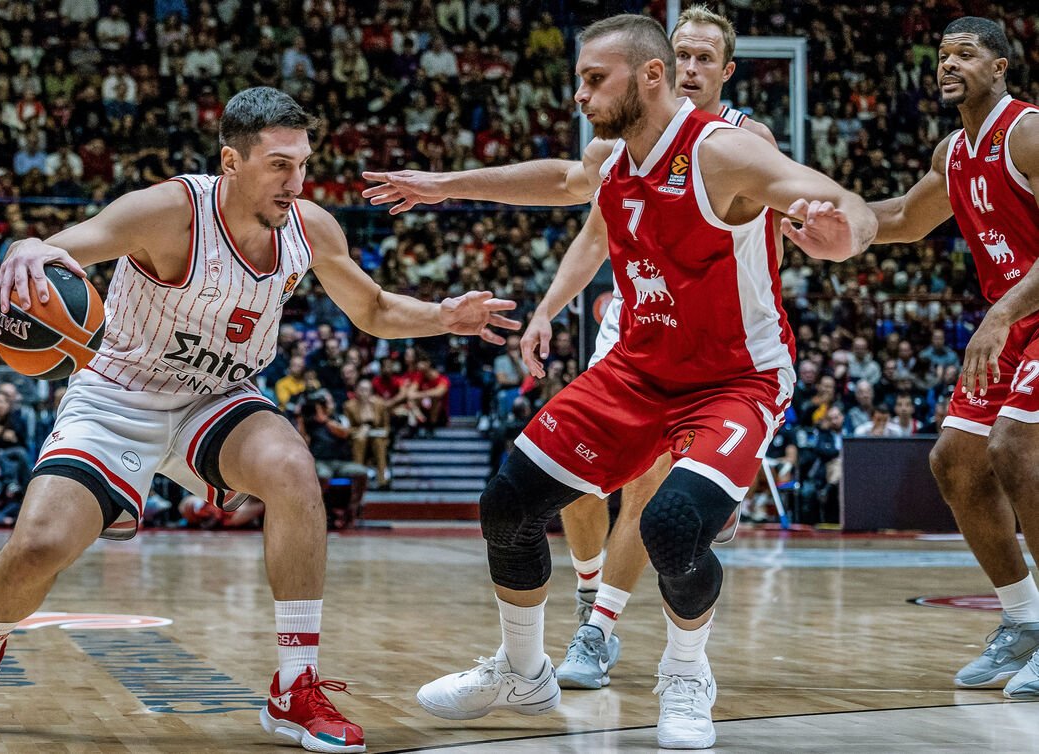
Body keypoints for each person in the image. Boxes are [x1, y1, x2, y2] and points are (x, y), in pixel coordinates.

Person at [0, 86, 518, 753]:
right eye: (279, 165)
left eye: (303, 164)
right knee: (39, 547)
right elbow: (79, 243)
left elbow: (373, 310)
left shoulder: (311, 229)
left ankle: (294, 689)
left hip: (216, 398)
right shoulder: (170, 211)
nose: (296, 181)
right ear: (232, 161)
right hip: (117, 396)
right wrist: (31, 244)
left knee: (292, 468)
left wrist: (443, 316)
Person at [370, 14, 874, 749]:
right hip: (637, 370)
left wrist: (844, 234)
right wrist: (445, 184)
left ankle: (686, 674)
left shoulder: (724, 150)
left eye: (592, 79)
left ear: (650, 76)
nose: (579, 94)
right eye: (579, 78)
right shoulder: (613, 157)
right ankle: (522, 670)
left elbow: (835, 198)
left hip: (736, 380)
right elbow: (563, 181)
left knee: (671, 527)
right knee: (507, 503)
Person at [866, 16, 1039, 699]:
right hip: (1013, 319)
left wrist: (999, 314)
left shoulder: (1026, 131)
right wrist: (822, 215)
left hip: (1023, 313)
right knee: (955, 462)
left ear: (999, 67)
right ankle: (1025, 621)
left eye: (965, 54)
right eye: (942, 55)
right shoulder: (953, 152)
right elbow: (906, 219)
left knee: (1016, 447)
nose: (949, 64)